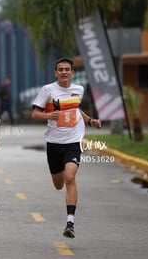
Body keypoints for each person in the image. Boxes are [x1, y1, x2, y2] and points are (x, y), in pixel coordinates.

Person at [31, 57, 102, 239]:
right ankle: (61, 173)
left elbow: (76, 109)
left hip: (73, 141)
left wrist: (90, 121)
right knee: (58, 184)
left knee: (70, 178)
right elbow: (34, 114)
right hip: (54, 143)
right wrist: (49, 115)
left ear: (72, 73)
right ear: (56, 73)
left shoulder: (78, 89)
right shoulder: (48, 90)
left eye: (67, 69)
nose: (64, 72)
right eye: (60, 69)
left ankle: (70, 222)